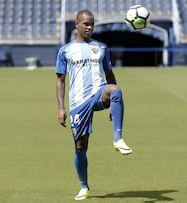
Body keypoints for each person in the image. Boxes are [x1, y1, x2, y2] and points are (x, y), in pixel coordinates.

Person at [55, 10, 132, 200]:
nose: (89, 27)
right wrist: (61, 108)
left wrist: (115, 104)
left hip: (99, 93)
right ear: (77, 24)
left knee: (115, 90)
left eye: (92, 24)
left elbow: (109, 74)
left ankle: (118, 139)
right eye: (86, 24)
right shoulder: (66, 50)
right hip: (78, 102)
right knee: (80, 146)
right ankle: (84, 186)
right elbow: (60, 80)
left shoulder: (102, 47)